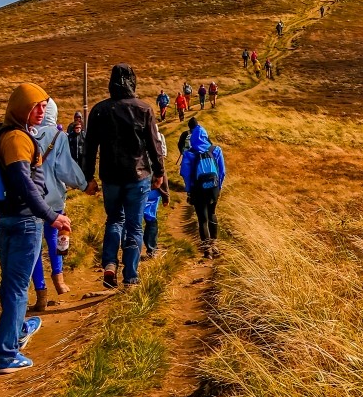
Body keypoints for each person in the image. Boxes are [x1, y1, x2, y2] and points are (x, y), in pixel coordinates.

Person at [0, 83, 72, 374]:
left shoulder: (7, 135)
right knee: (18, 288)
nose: (41, 111)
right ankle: (7, 355)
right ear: (21, 107)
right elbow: (24, 183)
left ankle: (19, 328)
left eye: (44, 106)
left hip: (9, 218)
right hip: (25, 222)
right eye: (35, 106)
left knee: (11, 284)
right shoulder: (17, 139)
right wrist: (51, 216)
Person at [80, 64, 164, 288]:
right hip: (138, 176)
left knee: (114, 220)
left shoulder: (99, 110)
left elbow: (89, 147)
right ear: (133, 82)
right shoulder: (143, 109)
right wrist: (160, 172)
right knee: (135, 226)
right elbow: (154, 144)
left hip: (110, 176)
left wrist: (88, 177)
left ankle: (109, 264)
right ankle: (131, 276)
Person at [28, 99, 86, 306]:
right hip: (54, 198)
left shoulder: (23, 134)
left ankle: (41, 293)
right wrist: (84, 184)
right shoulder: (58, 136)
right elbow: (66, 169)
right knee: (54, 236)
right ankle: (60, 281)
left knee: (35, 246)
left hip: (31, 198)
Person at [178, 117, 226, 257]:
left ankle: (207, 250)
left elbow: (185, 174)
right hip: (214, 188)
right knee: (212, 214)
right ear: (205, 135)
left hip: (197, 190)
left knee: (202, 219)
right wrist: (219, 187)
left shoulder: (189, 154)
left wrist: (189, 190)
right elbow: (222, 172)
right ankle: (215, 245)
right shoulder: (216, 150)